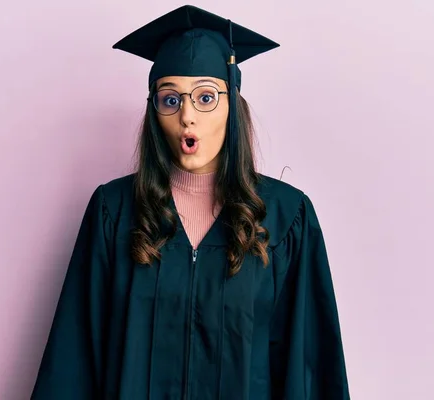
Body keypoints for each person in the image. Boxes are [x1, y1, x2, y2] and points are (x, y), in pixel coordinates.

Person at [31, 5, 350, 399]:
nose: (187, 117)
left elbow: (308, 366)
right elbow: (74, 359)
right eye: (170, 100)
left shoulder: (286, 217)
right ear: (154, 111)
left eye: (205, 97)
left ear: (232, 104)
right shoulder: (113, 212)